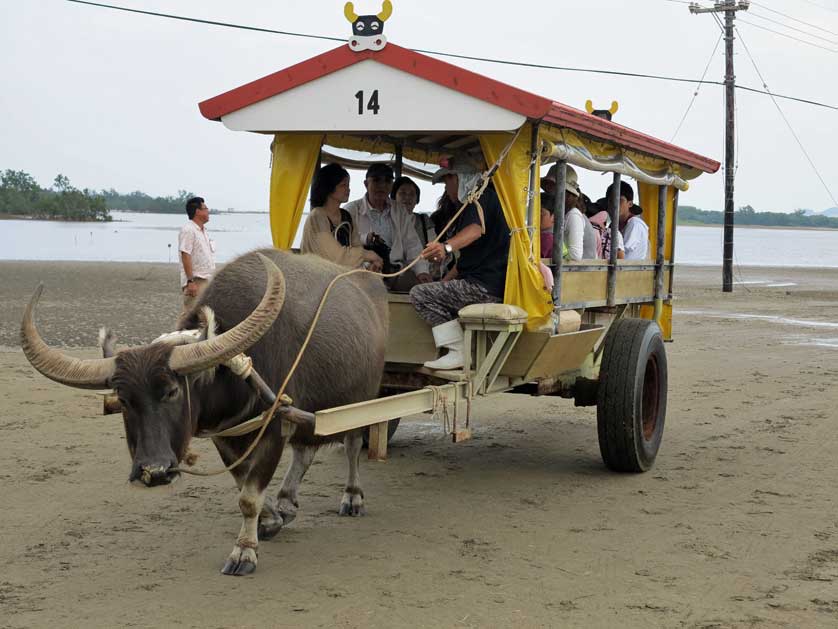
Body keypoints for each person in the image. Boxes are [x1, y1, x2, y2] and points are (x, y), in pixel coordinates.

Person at [409, 157, 510, 370]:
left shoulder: (479, 199)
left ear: (460, 179)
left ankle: (456, 351)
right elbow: (465, 261)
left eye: (447, 183)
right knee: (431, 290)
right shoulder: (488, 199)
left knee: (419, 294)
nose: (447, 189)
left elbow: (474, 231)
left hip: (483, 287)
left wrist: (445, 247)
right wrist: (443, 281)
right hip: (489, 282)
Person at [345, 163, 431, 290]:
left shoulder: (399, 210)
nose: (382, 185)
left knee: (423, 290)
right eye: (376, 180)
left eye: (387, 181)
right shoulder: (351, 210)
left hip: (395, 272)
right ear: (365, 184)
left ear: (391, 185)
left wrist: (421, 271)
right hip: (361, 271)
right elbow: (344, 246)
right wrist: (366, 239)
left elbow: (412, 244)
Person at [301, 163, 382, 270]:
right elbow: (337, 256)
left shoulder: (346, 216)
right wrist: (367, 254)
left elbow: (356, 247)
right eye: (343, 185)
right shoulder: (317, 216)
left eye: (348, 185)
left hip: (341, 277)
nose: (348, 189)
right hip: (319, 278)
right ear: (328, 187)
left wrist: (368, 266)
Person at [541, 164, 597, 261]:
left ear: (565, 191)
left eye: (552, 185)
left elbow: (575, 255)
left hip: (579, 273)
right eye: (547, 185)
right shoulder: (561, 213)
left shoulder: (573, 215)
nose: (547, 189)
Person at [178, 196, 216, 315]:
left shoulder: (203, 231)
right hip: (196, 280)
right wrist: (190, 281)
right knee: (190, 317)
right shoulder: (188, 230)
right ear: (197, 211)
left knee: (204, 317)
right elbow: (185, 254)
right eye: (205, 208)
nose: (208, 211)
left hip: (207, 280)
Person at [606, 180, 649, 259]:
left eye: (619, 200)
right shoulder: (613, 225)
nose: (614, 204)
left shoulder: (635, 224)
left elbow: (621, 254)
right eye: (611, 201)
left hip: (631, 270)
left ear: (630, 204)